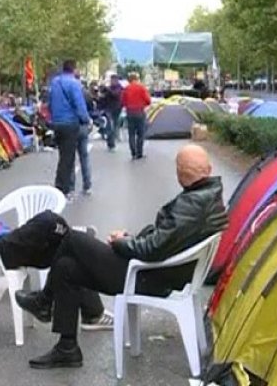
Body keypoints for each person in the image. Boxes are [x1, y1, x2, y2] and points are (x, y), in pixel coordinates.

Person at [15, 144, 229, 369]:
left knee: (72, 239)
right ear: (209, 168)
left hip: (147, 277)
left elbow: (153, 249)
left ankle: (44, 301)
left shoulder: (193, 202)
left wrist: (121, 243)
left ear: (180, 173)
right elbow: (165, 239)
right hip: (159, 272)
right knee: (67, 267)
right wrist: (130, 237)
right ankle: (67, 348)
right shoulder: (207, 196)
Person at [0, 139, 110, 325]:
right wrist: (4, 235)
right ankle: (74, 238)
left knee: (67, 252)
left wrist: (6, 233)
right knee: (48, 221)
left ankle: (90, 313)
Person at [48, 60, 90, 195]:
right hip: (70, 123)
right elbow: (79, 104)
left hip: (57, 123)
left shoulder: (55, 82)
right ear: (74, 69)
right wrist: (86, 119)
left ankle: (61, 184)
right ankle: (63, 188)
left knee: (63, 155)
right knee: (68, 158)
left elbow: (50, 103)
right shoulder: (74, 83)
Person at [69, 79, 93, 196]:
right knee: (84, 156)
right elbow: (90, 108)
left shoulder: (68, 94)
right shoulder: (86, 93)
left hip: (71, 126)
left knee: (71, 158)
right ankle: (87, 184)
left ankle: (71, 187)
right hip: (83, 126)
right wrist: (88, 121)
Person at [121, 72, 151, 160]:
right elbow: (148, 100)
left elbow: (122, 102)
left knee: (131, 133)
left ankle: (133, 152)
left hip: (130, 112)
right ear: (136, 79)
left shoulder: (126, 89)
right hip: (140, 112)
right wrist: (142, 104)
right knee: (140, 133)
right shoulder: (141, 88)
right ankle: (139, 152)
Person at [102, 74, 123, 151]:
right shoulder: (109, 88)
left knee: (113, 126)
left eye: (114, 80)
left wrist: (107, 89)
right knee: (109, 126)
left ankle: (112, 142)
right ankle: (110, 143)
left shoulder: (119, 88)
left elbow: (115, 94)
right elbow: (104, 97)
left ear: (117, 80)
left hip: (116, 109)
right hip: (109, 109)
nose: (112, 82)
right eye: (111, 80)